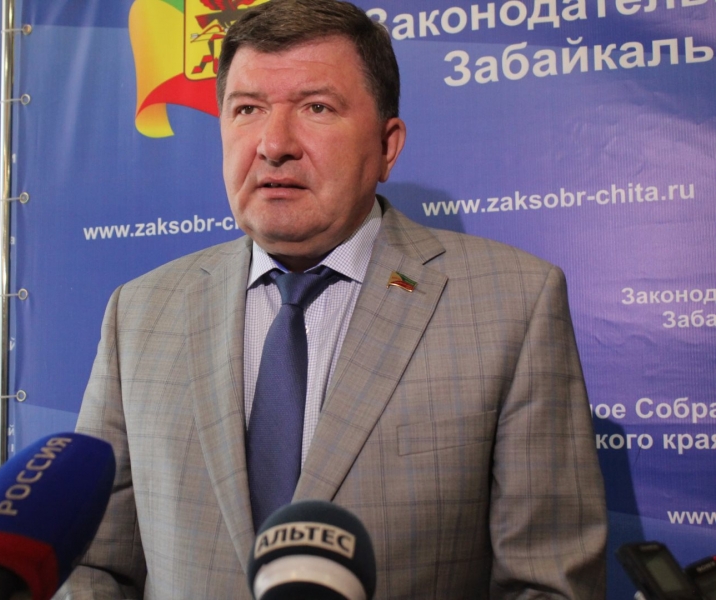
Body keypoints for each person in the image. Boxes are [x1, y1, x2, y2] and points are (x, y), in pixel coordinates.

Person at [57, 0, 607, 597]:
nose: (273, 144)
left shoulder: (513, 305)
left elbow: (547, 583)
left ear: (387, 146)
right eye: (247, 109)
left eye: (316, 107)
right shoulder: (140, 312)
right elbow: (91, 563)